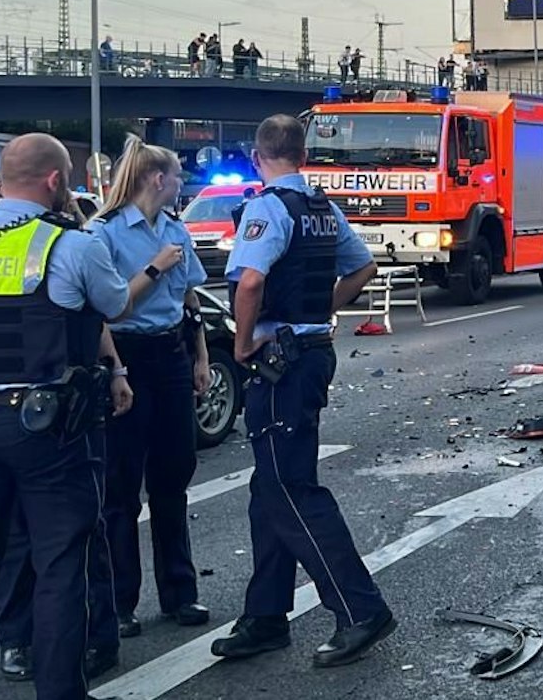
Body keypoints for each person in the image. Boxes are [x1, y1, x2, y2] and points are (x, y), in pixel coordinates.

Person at [0, 133, 134, 700]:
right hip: (48, 426)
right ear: (57, 181)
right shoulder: (72, 244)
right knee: (60, 564)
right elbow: (116, 306)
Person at [211, 115, 395, 669]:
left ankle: (360, 610)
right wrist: (324, 311)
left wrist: (241, 344)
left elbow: (249, 281)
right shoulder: (320, 207)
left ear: (257, 154)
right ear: (302, 151)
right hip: (309, 354)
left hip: (277, 363)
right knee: (269, 489)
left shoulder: (267, 207)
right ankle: (266, 617)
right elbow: (361, 266)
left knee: (290, 490)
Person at [88, 139, 212, 641]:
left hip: (170, 353)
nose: (180, 183)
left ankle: (179, 591)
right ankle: (120, 601)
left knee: (173, 476)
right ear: (157, 180)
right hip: (127, 355)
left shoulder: (175, 228)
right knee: (121, 487)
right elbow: (108, 307)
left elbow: (190, 298)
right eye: (178, 176)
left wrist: (201, 356)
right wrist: (155, 265)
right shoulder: (106, 233)